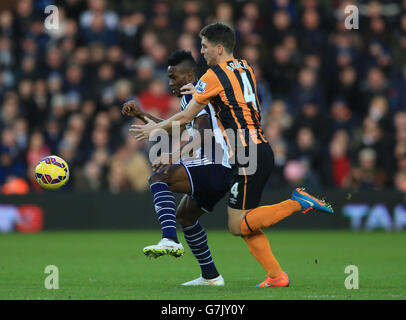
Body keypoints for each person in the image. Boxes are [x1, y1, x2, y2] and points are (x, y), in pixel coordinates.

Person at [132, 23, 334, 288]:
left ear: (218, 48)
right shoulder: (245, 67)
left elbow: (186, 116)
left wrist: (155, 128)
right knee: (245, 225)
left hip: (246, 154)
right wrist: (200, 93)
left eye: (204, 46)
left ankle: (298, 202)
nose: (201, 51)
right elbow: (232, 99)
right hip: (257, 149)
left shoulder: (212, 76)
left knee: (238, 225)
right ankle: (276, 276)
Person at [122, 50, 232, 286]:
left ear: (189, 76)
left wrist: (173, 155)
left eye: (174, 77)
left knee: (159, 176)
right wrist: (142, 115)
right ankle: (211, 277)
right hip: (220, 169)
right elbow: (175, 127)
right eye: (169, 77)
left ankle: (169, 239)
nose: (170, 83)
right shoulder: (193, 98)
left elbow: (203, 132)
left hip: (214, 164)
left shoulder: (199, 95)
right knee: (185, 216)